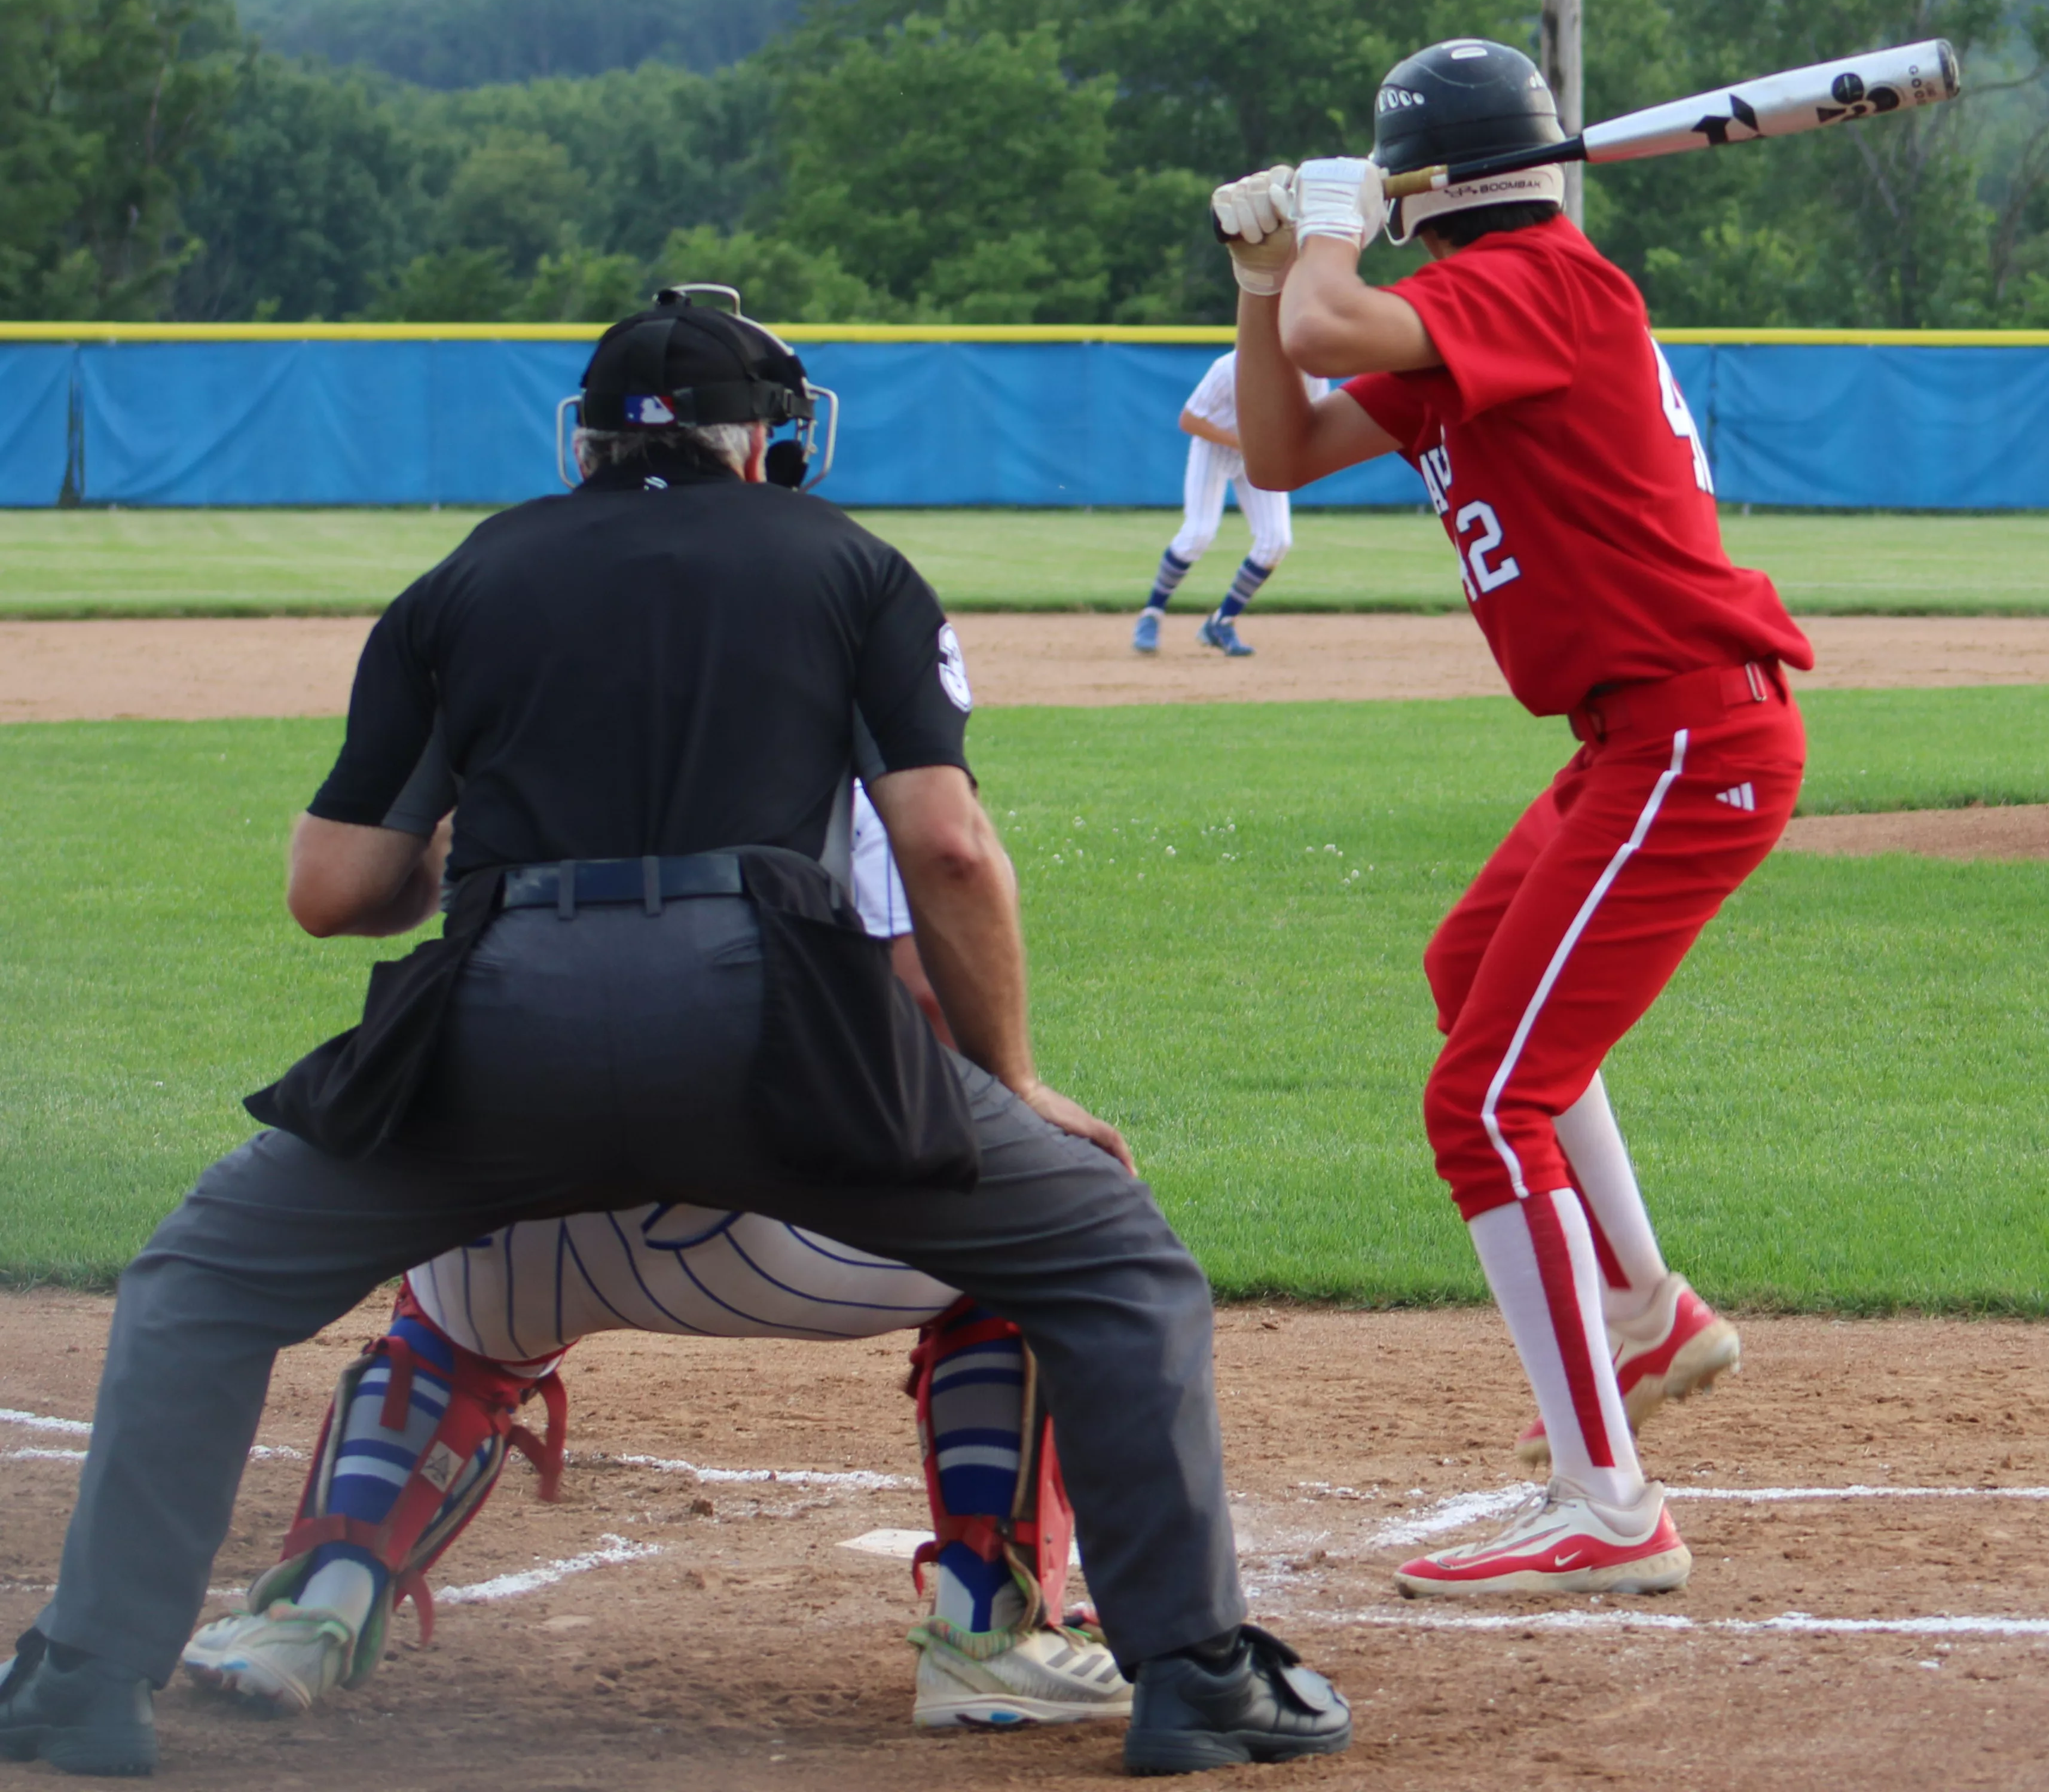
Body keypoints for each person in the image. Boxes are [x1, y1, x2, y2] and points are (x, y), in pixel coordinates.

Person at [0, 292, 1345, 1779]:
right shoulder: (852, 566)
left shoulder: (469, 577)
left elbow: (335, 892)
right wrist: (1012, 1081)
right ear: (768, 443)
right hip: (770, 1029)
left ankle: (90, 1672)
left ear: (580, 442)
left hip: (504, 1033)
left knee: (199, 1280)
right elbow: (947, 851)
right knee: (1110, 1256)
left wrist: (501, 860)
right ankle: (1184, 1673)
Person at [1213, 39, 1801, 1600]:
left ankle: (1608, 1504)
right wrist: (1262, 277)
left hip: (1687, 729)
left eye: (1383, 176)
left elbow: (1344, 315)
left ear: (1423, 186)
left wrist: (1323, 237)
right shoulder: (1488, 313)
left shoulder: (1541, 278)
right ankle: (1646, 1306)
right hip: (1637, 736)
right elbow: (1280, 444)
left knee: (1482, 1106)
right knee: (1473, 969)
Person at [177, 793, 1133, 1736]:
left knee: (447, 1317)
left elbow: (333, 888)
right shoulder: (825, 730)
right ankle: (988, 1629)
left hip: (506, 1219)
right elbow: (927, 969)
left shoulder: (505, 692)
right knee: (1034, 1239)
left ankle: (314, 1606)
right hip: (763, 1214)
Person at [1133, 350, 1323, 657]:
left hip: (1261, 458)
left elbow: (1310, 420)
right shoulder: (1229, 367)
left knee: (1277, 541)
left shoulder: (1312, 373)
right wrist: (1247, 445)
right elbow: (1190, 419)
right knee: (1199, 533)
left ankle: (1222, 622)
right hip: (1214, 450)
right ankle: (1151, 614)